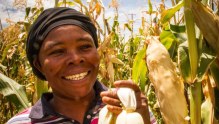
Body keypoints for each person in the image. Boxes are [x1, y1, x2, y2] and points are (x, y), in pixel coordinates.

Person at [7, 7, 156, 124]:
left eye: (85, 47)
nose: (76, 58)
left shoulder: (130, 111)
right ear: (39, 65)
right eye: (58, 51)